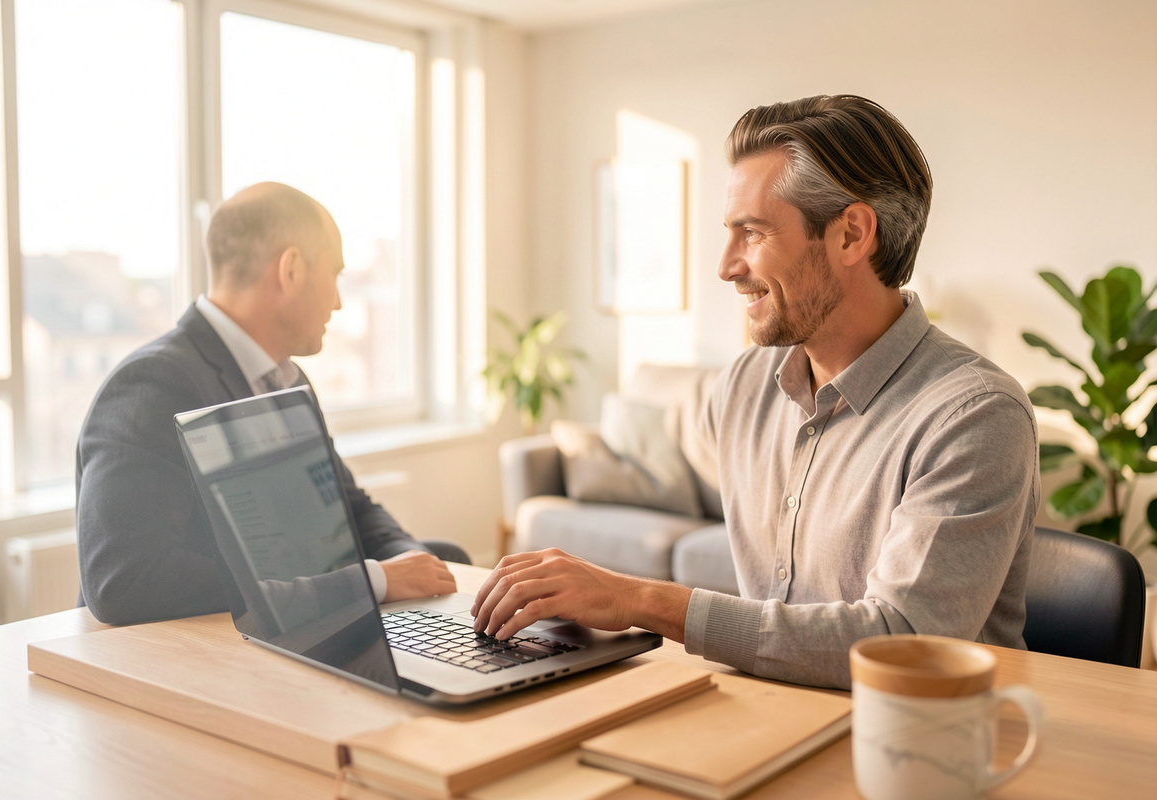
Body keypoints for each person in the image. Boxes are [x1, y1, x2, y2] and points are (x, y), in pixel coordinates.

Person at [472, 95, 1039, 689]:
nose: (726, 266)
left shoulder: (974, 416)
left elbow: (900, 643)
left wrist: (641, 599)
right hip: (771, 710)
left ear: (851, 234)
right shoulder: (745, 387)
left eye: (753, 232)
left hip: (922, 733)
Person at [77, 182, 464, 626]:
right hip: (194, 648)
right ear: (291, 270)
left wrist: (413, 562)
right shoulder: (152, 385)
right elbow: (124, 582)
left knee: (448, 557)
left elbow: (347, 505)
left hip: (287, 629)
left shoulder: (287, 380)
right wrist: (370, 582)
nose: (339, 302)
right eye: (335, 275)